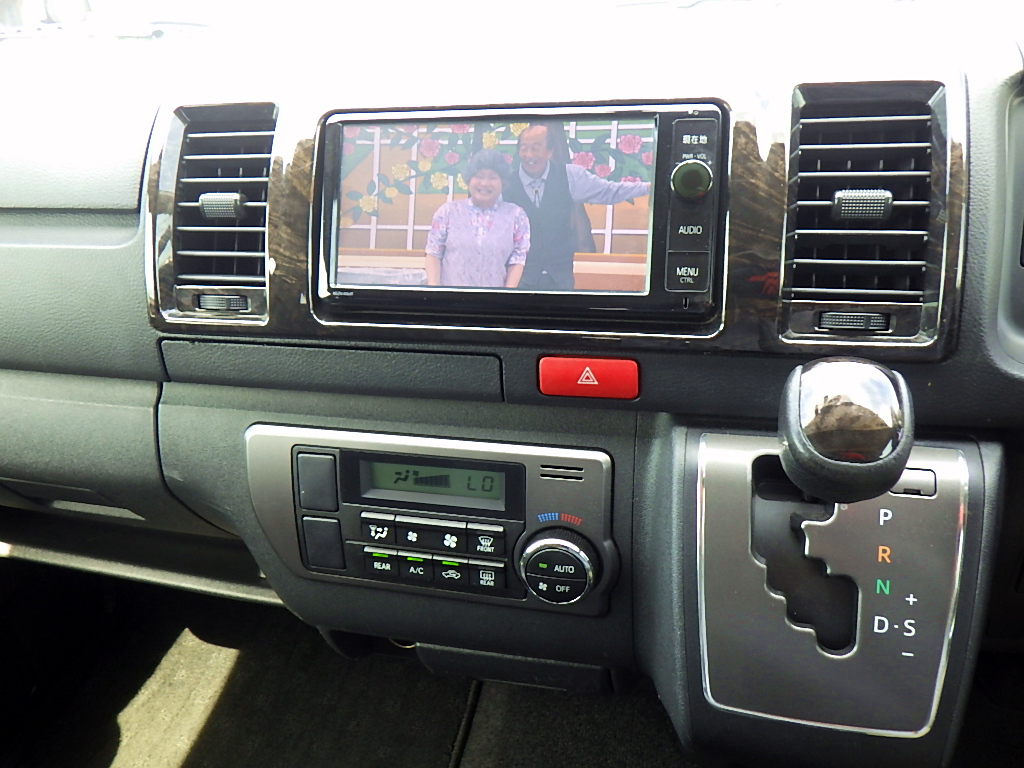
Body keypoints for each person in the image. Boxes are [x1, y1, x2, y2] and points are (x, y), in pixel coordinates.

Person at [505, 123, 651, 291]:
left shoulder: (570, 176)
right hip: (518, 278)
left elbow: (609, 191)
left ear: (550, 151)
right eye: (524, 148)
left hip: (560, 277)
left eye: (536, 148)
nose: (529, 154)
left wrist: (646, 188)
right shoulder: (505, 183)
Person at [424, 149, 530, 288]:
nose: (484, 183)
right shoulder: (447, 212)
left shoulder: (516, 215)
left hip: (494, 298)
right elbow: (433, 254)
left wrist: (507, 295)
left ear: (502, 183)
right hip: (451, 297)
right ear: (469, 180)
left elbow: (517, 260)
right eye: (479, 176)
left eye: (492, 177)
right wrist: (434, 290)